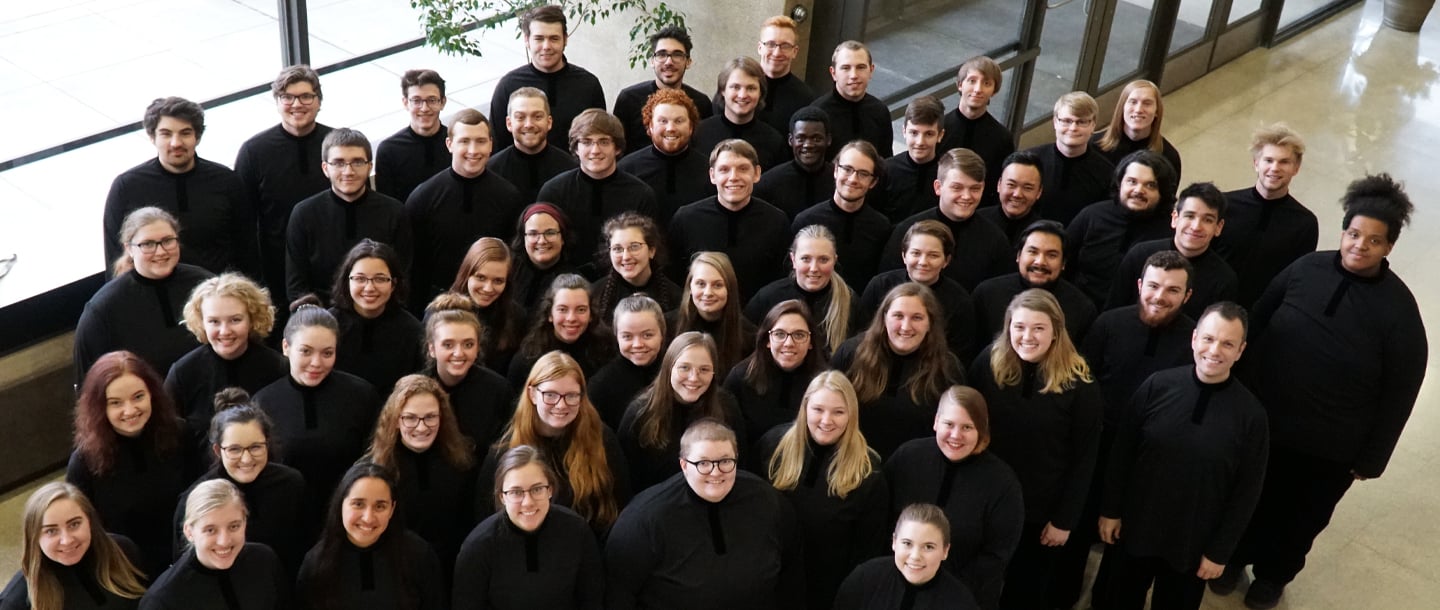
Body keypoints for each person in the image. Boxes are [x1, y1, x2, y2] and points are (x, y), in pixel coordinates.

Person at [1223, 174, 1427, 609]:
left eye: (1373, 240)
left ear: (1389, 247)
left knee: (1301, 517)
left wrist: (1373, 457)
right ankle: (1233, 558)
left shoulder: (1400, 312)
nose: (1359, 245)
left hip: (1330, 447)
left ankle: (1273, 576)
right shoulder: (1306, 268)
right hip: (1265, 421)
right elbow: (1257, 322)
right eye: (1354, 234)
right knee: (1248, 498)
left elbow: (1400, 393)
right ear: (1343, 231)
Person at [1094, 302, 1268, 610]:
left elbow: (1246, 492)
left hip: (1194, 540)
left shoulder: (1251, 416)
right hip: (1136, 526)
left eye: (1228, 344)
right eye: (1208, 338)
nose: (1215, 350)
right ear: (1194, 338)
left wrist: (1220, 552)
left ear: (1241, 351)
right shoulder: (1156, 386)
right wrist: (1110, 510)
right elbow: (1122, 454)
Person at [1056, 251, 1197, 608]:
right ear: (1139, 286)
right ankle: (1066, 594)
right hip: (1099, 445)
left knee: (1127, 541)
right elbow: (1080, 382)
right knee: (1081, 528)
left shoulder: (1195, 341)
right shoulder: (1108, 324)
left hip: (1149, 459)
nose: (1159, 296)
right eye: (1152, 286)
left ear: (1187, 296)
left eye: (1172, 290)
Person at [968, 289, 1102, 609]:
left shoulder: (1080, 384)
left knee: (1025, 590)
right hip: (987, 501)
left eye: (1038, 328)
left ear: (1056, 331)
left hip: (1041, 513)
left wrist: (1065, 520)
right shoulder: (987, 364)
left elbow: (1085, 459)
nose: (1027, 336)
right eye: (1019, 327)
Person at [606, 419, 803, 608]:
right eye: (703, 463)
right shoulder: (645, 517)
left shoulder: (767, 501)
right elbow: (619, 593)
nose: (716, 472)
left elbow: (791, 574)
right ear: (684, 465)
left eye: (725, 461)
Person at [755, 372, 889, 609]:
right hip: (771, 583)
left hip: (830, 592)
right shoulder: (772, 446)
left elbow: (867, 552)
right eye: (818, 409)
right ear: (805, 408)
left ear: (851, 415)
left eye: (838, 412)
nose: (826, 420)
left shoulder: (869, 472)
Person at [885, 386, 1024, 610]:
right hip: (897, 584)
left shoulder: (1003, 484)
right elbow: (882, 519)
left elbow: (996, 555)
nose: (956, 435)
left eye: (967, 427)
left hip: (964, 596)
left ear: (982, 430)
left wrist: (946, 588)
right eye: (949, 424)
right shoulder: (906, 457)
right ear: (936, 422)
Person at [252, 303, 380, 521]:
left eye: (327, 353)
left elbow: (374, 460)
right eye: (306, 351)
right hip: (285, 516)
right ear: (286, 347)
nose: (316, 363)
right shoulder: (264, 402)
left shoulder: (362, 395)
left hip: (349, 516)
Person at [103, 96, 255, 278]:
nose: (176, 143)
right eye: (166, 134)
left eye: (185, 133)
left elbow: (248, 252)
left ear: (197, 137)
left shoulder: (226, 181)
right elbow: (115, 261)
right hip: (153, 297)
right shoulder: (126, 187)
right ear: (152, 137)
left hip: (216, 297)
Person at [66, 351, 186, 578]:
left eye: (138, 396)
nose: (130, 410)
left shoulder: (181, 434)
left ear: (153, 394)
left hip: (186, 558)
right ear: (99, 408)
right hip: (125, 573)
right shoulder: (83, 462)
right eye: (116, 403)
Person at [482, 351, 629, 534]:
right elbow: (487, 522)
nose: (561, 405)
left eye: (571, 395)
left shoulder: (602, 439)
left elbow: (621, 505)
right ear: (532, 394)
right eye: (550, 395)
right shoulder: (503, 453)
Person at [452, 446, 604, 609]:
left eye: (537, 489)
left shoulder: (577, 532)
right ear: (502, 497)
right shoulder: (478, 546)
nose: (528, 502)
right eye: (516, 492)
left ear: (550, 490)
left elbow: (592, 601)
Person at [174, 388, 307, 575]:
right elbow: (183, 565)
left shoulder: (292, 483)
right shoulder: (197, 498)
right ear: (218, 451)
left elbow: (301, 546)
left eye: (255, 447)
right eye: (235, 449)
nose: (246, 459)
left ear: (267, 445)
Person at [405, 108, 524, 309]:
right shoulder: (422, 198)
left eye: (480, 141)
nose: (473, 150)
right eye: (464, 141)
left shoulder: (509, 196)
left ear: (491, 145)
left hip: (493, 303)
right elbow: (414, 266)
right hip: (439, 305)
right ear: (449, 144)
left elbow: (515, 261)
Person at [75, 207, 212, 383]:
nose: (161, 251)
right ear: (129, 249)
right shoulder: (102, 310)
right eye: (147, 244)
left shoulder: (205, 284)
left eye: (168, 240)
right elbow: (89, 387)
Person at [166, 272, 286, 469]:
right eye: (214, 321)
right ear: (201, 322)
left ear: (252, 319)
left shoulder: (277, 368)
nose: (224, 331)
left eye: (235, 320)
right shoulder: (183, 373)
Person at [235, 65, 334, 303]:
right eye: (287, 97)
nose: (297, 104)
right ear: (277, 103)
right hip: (275, 268)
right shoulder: (253, 152)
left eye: (306, 96)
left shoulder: (336, 144)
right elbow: (243, 221)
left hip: (332, 263)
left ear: (319, 101)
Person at [834, 283, 963, 458]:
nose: (905, 326)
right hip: (852, 460)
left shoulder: (948, 369)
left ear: (930, 323)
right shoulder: (850, 353)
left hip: (915, 465)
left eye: (917, 318)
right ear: (884, 318)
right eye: (898, 316)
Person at [285, 128, 411, 303]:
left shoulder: (394, 211)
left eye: (357, 162)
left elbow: (403, 277)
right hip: (323, 318)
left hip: (381, 312)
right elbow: (297, 285)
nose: (348, 171)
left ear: (369, 166)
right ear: (325, 168)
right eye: (338, 163)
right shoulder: (304, 214)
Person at [296, 462, 445, 610]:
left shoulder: (418, 554)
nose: (368, 518)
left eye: (380, 506)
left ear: (392, 509)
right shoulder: (316, 563)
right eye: (358, 504)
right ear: (341, 504)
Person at [365, 375, 476, 573]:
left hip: (451, 567)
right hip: (396, 568)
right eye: (410, 418)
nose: (422, 427)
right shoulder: (374, 470)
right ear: (396, 420)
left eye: (430, 417)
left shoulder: (461, 463)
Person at [618, 332, 745, 492]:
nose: (693, 378)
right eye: (684, 368)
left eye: (704, 370)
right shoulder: (640, 412)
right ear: (669, 368)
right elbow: (626, 479)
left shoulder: (727, 406)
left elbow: (741, 466)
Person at [668, 139, 790, 300]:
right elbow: (673, 278)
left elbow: (781, 282)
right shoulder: (685, 219)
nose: (733, 177)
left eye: (743, 169)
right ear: (712, 175)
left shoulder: (777, 221)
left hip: (759, 319)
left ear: (757, 173)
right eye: (724, 170)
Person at [537, 109, 659, 268]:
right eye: (586, 142)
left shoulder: (641, 194)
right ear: (575, 148)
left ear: (617, 148)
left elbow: (649, 250)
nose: (595, 150)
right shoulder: (553, 191)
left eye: (604, 142)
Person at [1212, 123, 1317, 307]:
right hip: (1210, 305)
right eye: (1268, 160)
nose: (1275, 168)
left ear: (1296, 168)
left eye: (1284, 162)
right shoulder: (1224, 205)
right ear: (1256, 164)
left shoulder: (1304, 223)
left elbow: (1296, 281)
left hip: (1262, 317)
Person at [141, 479, 290, 609]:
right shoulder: (163, 599)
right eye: (210, 530)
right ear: (189, 532)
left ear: (245, 522)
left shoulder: (265, 560)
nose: (224, 541)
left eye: (234, 526)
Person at [880, 148, 1011, 292]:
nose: (966, 196)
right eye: (957, 188)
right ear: (938, 187)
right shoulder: (906, 231)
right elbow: (887, 284)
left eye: (975, 189)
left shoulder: (996, 241)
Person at [0, 483, 146, 610]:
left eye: (74, 524)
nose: (67, 540)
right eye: (51, 531)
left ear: (90, 521)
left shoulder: (122, 550)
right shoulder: (16, 600)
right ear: (34, 537)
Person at [1105, 182, 1237, 317]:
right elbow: (1112, 311)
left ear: (1218, 227)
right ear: (1175, 218)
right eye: (1189, 216)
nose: (1196, 226)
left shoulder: (1223, 279)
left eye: (1207, 220)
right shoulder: (1140, 255)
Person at [1065, 149, 1178, 306]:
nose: (1138, 190)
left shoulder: (1171, 233)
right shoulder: (1092, 215)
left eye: (1150, 185)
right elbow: (1063, 261)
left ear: (1163, 192)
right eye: (1132, 181)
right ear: (1119, 183)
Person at [488, 4, 605, 152]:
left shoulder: (588, 85)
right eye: (539, 39)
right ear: (527, 40)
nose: (546, 46)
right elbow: (496, 144)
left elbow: (600, 137)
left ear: (565, 39)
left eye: (554, 39)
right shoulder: (508, 86)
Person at [860, 220, 977, 359]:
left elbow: (959, 354)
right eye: (916, 253)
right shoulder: (879, 286)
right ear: (904, 256)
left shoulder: (959, 300)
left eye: (933, 255)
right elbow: (861, 335)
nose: (923, 262)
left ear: (946, 260)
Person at [833, 504, 982, 610]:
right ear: (894, 542)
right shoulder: (863, 579)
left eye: (928, 547)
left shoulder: (961, 602)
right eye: (907, 543)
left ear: (945, 551)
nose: (915, 556)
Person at [327, 239, 425, 394]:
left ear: (393, 284)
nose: (369, 287)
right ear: (347, 281)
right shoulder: (327, 325)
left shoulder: (413, 331)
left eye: (380, 279)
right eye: (360, 278)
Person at [972, 221, 1097, 342]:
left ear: (1063, 263)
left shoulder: (1082, 308)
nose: (1040, 261)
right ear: (1018, 256)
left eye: (1051, 255)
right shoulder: (987, 294)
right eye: (1033, 252)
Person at [791, 141, 893, 288]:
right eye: (847, 169)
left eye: (863, 174)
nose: (853, 179)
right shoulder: (806, 220)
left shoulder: (881, 227)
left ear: (873, 182)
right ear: (835, 171)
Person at [422, 293, 515, 452]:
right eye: (448, 345)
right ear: (432, 349)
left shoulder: (499, 391)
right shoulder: (416, 390)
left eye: (468, 344)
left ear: (478, 347)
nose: (459, 353)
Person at [746, 225, 857, 357]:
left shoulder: (850, 302)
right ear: (793, 260)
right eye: (806, 259)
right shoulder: (768, 298)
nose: (814, 268)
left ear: (834, 261)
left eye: (823, 259)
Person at [725, 300, 825, 444]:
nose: (789, 343)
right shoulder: (740, 378)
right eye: (779, 334)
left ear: (811, 342)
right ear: (767, 340)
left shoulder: (823, 382)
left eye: (799, 335)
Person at [613, 25, 713, 154]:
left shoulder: (701, 102)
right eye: (662, 54)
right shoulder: (628, 99)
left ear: (688, 62)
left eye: (677, 55)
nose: (668, 62)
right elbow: (617, 147)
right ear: (652, 61)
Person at [615, 89, 712, 224]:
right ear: (650, 127)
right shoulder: (627, 169)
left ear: (691, 127)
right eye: (663, 121)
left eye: (679, 121)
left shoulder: (710, 171)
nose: (671, 128)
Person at [506, 274, 615, 388]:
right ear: (550, 314)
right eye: (562, 309)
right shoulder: (527, 358)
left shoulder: (606, 351)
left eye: (581, 310)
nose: (571, 318)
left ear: (591, 314)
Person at [1025, 92, 1115, 225]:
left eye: (1082, 122)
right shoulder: (1029, 161)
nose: (1073, 128)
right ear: (1055, 122)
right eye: (1067, 121)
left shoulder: (1107, 173)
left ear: (1093, 125)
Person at [939, 56, 1015, 208]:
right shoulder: (939, 128)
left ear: (994, 91)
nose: (978, 89)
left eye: (986, 83)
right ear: (960, 85)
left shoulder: (1002, 138)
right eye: (972, 81)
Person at [665, 252, 756, 373]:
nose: (708, 292)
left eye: (717, 285)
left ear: (730, 289)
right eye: (701, 284)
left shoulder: (749, 336)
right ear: (690, 287)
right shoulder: (667, 326)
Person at [447, 237, 526, 373]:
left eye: (498, 281)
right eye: (481, 278)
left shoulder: (517, 317)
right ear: (466, 275)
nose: (488, 288)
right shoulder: (442, 312)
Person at [695, 57, 789, 170]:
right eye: (735, 87)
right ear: (722, 91)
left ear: (761, 93)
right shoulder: (699, 133)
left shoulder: (774, 141)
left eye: (751, 88)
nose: (743, 95)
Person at [487, 87, 578, 203]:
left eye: (537, 117)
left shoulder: (571, 168)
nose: (529, 124)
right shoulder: (491, 170)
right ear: (509, 123)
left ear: (549, 122)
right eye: (520, 117)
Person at [590, 295, 668, 428]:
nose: (637, 344)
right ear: (616, 336)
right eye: (627, 336)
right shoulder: (600, 385)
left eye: (647, 335)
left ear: (662, 333)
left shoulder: (677, 373)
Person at [375, 69, 451, 202]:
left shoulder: (457, 142)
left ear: (442, 102)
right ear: (405, 103)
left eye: (432, 100)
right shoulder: (389, 150)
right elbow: (387, 206)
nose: (424, 108)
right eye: (416, 101)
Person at [590, 212, 680, 322]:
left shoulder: (675, 298)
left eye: (634, 247)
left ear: (651, 251)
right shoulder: (594, 295)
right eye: (617, 249)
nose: (626, 256)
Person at [811, 41, 893, 158]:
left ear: (871, 70)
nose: (854, 75)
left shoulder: (880, 111)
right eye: (845, 68)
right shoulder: (817, 114)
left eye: (860, 67)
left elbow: (886, 161)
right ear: (833, 73)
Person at [1092, 79, 1182, 181]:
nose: (1138, 109)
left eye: (1147, 103)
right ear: (1122, 107)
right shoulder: (1093, 146)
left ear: (1157, 111)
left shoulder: (1168, 156)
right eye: (1133, 102)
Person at [754, 106, 835, 219]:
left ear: (828, 140)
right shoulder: (768, 184)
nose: (808, 145)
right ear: (790, 140)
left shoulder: (840, 180)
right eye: (801, 139)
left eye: (816, 139)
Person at [881, 96, 946, 221]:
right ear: (904, 131)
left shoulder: (947, 173)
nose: (920, 142)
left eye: (929, 134)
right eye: (914, 133)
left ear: (940, 135)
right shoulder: (886, 169)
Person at [754, 15, 816, 134]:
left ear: (795, 51)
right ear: (760, 48)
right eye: (771, 44)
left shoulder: (806, 98)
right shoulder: (739, 90)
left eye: (785, 46)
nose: (777, 53)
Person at [509, 203, 577, 308]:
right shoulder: (507, 272)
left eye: (550, 233)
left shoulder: (573, 282)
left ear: (563, 237)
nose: (541, 241)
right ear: (524, 238)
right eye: (533, 234)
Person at [976, 151, 1044, 245]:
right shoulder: (976, 221)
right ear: (999, 184)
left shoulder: (1044, 233)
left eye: (1027, 188)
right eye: (1011, 185)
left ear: (1039, 192)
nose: (1017, 194)